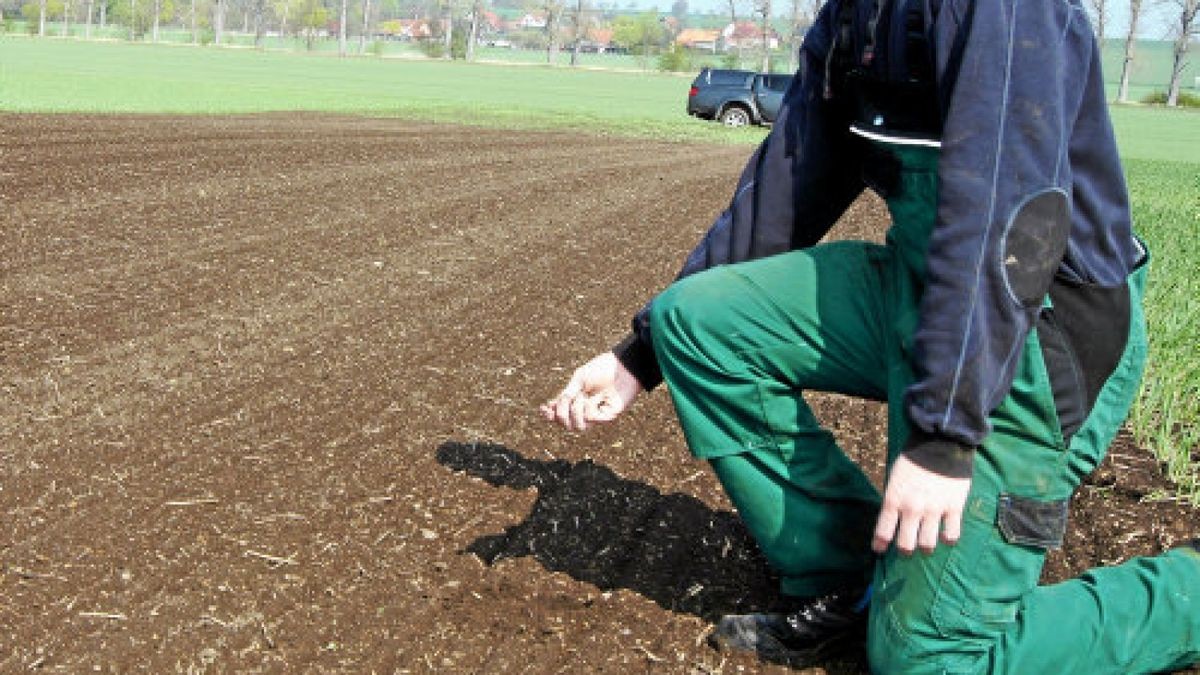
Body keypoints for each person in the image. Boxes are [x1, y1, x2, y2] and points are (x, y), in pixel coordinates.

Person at [540, 0, 1200, 671]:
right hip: (924, 289)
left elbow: (1010, 216)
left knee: (931, 658)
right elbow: (787, 188)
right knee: (695, 324)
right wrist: (640, 355)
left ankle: (1188, 598)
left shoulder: (1004, 11)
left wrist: (943, 433)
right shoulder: (857, 17)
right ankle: (850, 577)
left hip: (1034, 331)